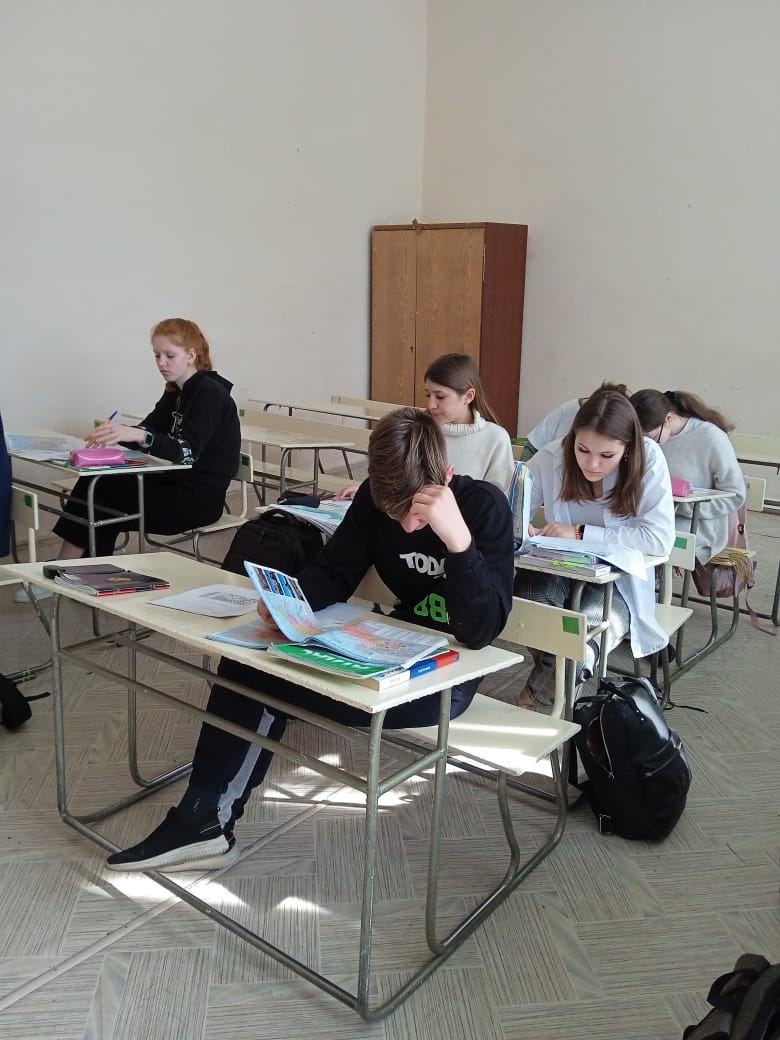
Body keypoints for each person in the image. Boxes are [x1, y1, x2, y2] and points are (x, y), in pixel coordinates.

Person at [107, 407, 515, 872]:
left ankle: (204, 821)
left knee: (259, 680)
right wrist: (291, 601)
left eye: (418, 514)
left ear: (446, 476)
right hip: (390, 652)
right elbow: (336, 570)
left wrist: (458, 542)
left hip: (447, 678)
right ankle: (204, 820)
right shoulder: (372, 498)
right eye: (394, 513)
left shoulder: (482, 508)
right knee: (250, 662)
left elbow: (480, 632)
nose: (406, 527)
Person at [515, 384, 676, 712]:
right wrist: (519, 527)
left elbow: (659, 539)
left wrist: (580, 533)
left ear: (628, 448)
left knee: (588, 636)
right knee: (528, 604)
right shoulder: (553, 456)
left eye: (607, 456)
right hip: (559, 567)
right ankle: (552, 688)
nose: (592, 464)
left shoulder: (648, 459)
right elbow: (514, 509)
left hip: (619, 580)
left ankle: (541, 697)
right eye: (583, 449)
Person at [49, 318, 241, 562]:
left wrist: (139, 435)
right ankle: (81, 567)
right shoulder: (175, 390)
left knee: (103, 493)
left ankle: (67, 566)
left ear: (191, 355)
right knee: (99, 483)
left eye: (170, 355)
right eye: (157, 356)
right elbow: (149, 430)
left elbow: (186, 452)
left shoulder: (209, 393)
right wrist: (119, 433)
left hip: (197, 501)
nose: (161, 363)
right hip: (172, 484)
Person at [335, 353, 515, 499]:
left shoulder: (495, 438)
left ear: (468, 396)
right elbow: (396, 476)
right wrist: (366, 491)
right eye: (428, 395)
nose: (431, 404)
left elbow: (496, 500)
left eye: (440, 396)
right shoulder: (419, 427)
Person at [629, 389, 746, 565]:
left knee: (650, 546)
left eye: (651, 437)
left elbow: (736, 494)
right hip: (650, 519)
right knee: (619, 542)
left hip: (694, 526)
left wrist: (686, 508)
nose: (648, 444)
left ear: (668, 418)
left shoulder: (711, 437)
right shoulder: (651, 438)